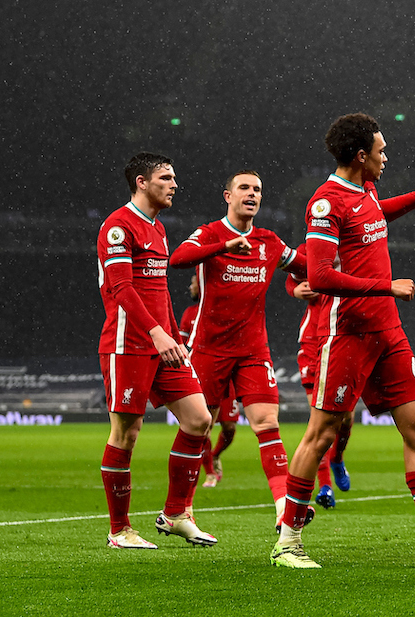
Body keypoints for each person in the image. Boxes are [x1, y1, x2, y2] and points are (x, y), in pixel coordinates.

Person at [271, 112, 415, 569]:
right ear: (360, 156)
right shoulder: (325, 204)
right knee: (322, 432)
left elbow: (376, 214)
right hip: (348, 332)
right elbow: (320, 275)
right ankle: (287, 542)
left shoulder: (366, 191)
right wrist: (384, 286)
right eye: (381, 150)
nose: (386, 157)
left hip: (388, 331)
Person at [170, 170, 306, 528]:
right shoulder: (211, 233)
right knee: (198, 428)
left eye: (257, 190)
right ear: (227, 196)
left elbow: (306, 265)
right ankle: (180, 510)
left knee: (267, 423)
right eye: (244, 188)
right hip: (209, 349)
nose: (251, 194)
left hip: (253, 351)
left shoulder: (270, 241)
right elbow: (178, 258)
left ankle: (283, 509)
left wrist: (334, 258)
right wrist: (223, 247)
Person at [96, 152, 215, 548]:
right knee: (127, 433)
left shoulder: (159, 229)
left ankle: (177, 513)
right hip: (127, 344)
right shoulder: (118, 226)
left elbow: (158, 289)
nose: (174, 184)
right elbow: (122, 288)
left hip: (163, 344)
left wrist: (173, 335)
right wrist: (155, 332)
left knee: (198, 419)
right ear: (142, 183)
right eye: (165, 177)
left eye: (174, 177)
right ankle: (119, 530)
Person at [285, 245, 355, 509]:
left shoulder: (356, 245)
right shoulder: (309, 247)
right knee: (321, 420)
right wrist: (295, 290)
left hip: (344, 338)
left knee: (346, 417)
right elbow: (290, 279)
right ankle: (325, 486)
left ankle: (337, 458)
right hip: (313, 342)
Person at [178, 274, 237, 489]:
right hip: (202, 373)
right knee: (205, 425)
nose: (191, 285)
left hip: (226, 372)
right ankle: (209, 473)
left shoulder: (224, 308)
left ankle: (214, 454)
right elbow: (182, 344)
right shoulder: (189, 314)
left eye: (193, 281)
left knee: (229, 427)